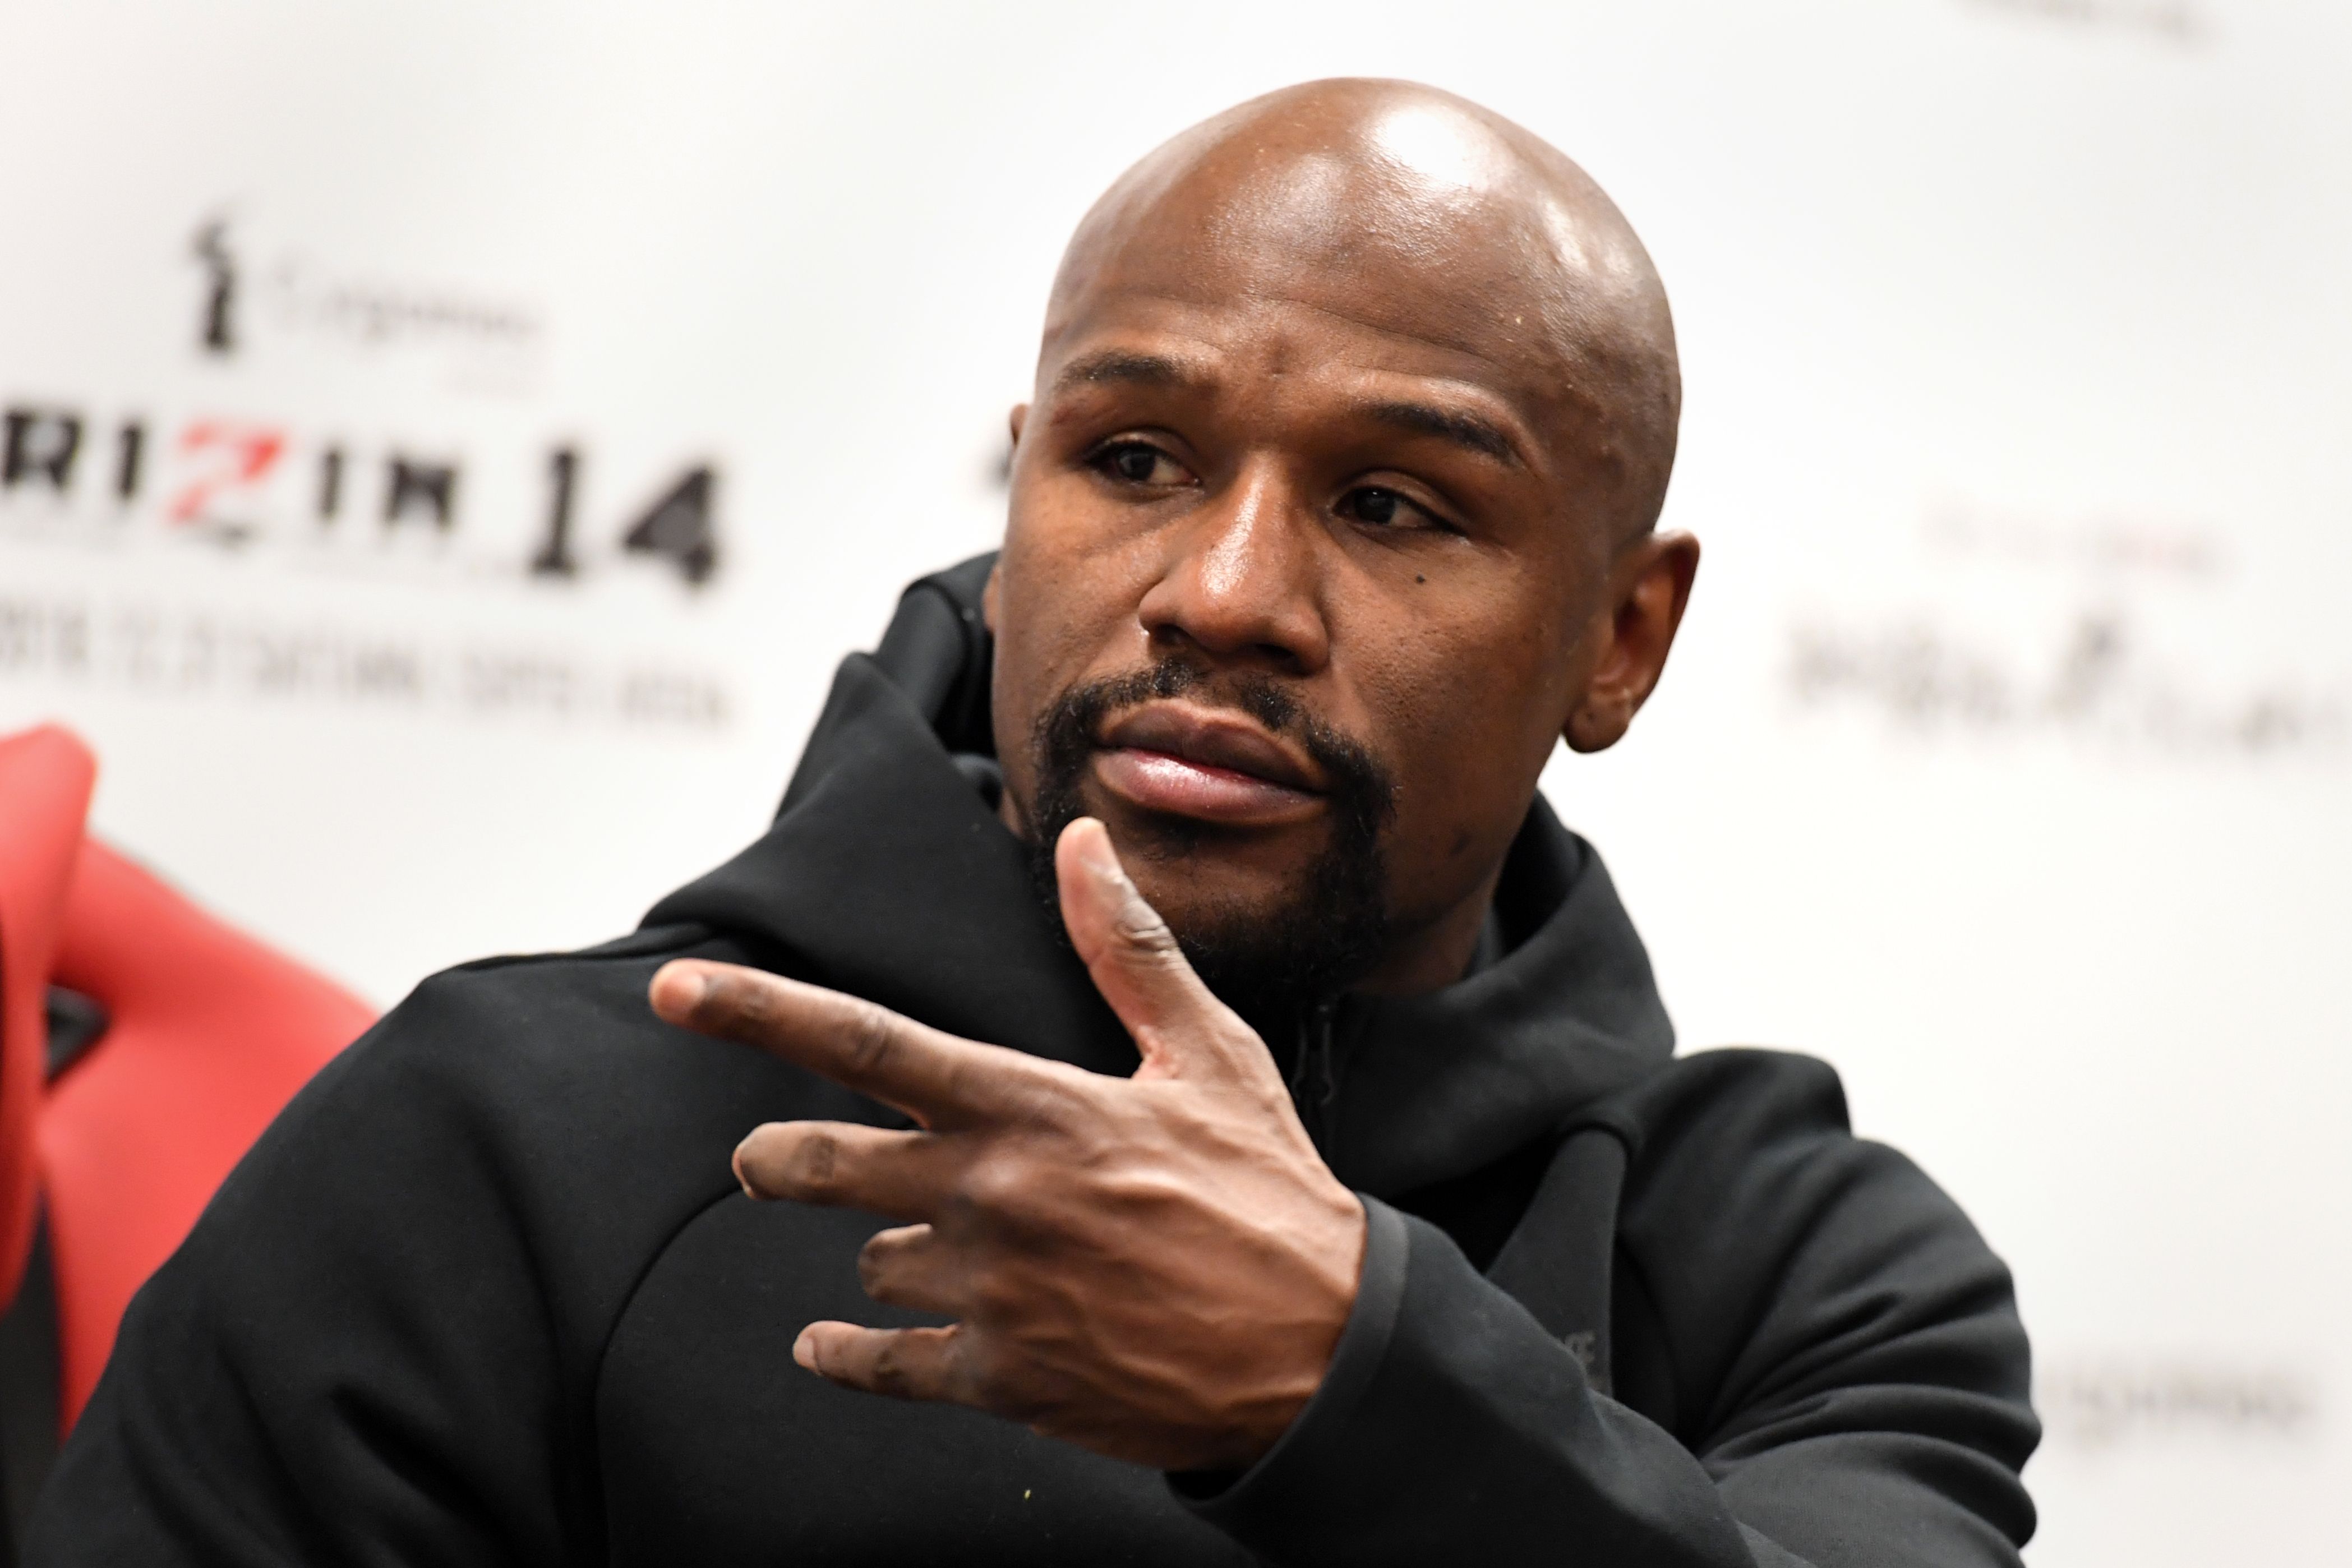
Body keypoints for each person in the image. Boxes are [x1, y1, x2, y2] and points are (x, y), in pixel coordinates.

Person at [29, 79, 2036, 1566]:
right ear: (1020, 489)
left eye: (1393, 501)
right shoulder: (507, 1141)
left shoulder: (1809, 1265)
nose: (1225, 588)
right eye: (1135, 457)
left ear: (1619, 634)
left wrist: (1359, 1386)